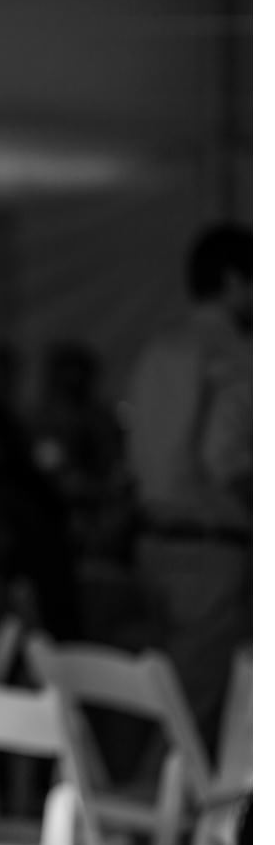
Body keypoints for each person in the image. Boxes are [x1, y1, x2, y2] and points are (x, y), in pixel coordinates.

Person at [124, 223, 251, 748]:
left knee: (161, 700)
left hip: (153, 543)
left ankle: (145, 814)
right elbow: (229, 461)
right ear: (234, 281)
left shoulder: (159, 348)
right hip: (210, 550)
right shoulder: (236, 354)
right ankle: (156, 825)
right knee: (194, 716)